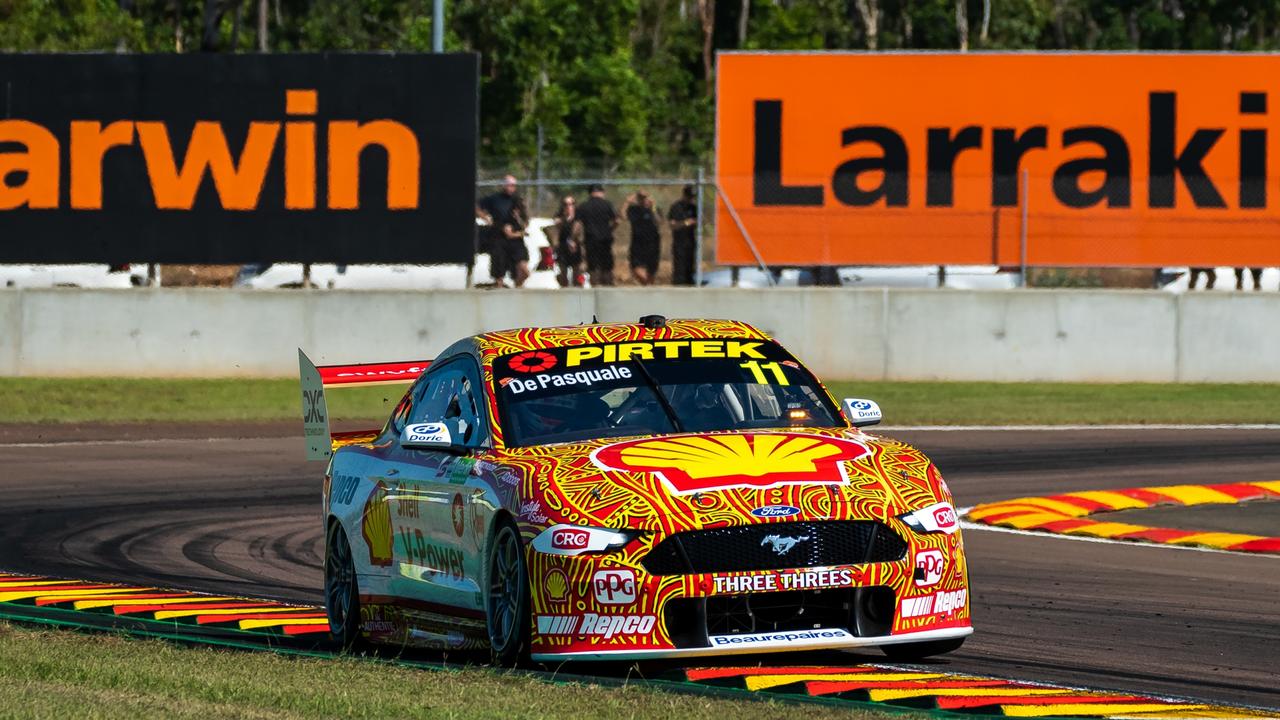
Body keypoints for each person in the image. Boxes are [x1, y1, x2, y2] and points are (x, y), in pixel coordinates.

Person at [476, 175, 522, 287]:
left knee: (518, 266)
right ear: (504, 185)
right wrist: (485, 218)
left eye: (513, 185)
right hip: (497, 235)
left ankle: (517, 288)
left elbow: (524, 218)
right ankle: (499, 283)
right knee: (498, 261)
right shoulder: (495, 198)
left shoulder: (517, 200)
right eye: (509, 185)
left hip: (513, 237)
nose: (511, 188)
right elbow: (477, 206)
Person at [576, 184, 618, 286]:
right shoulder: (607, 204)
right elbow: (617, 221)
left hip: (591, 240)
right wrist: (610, 229)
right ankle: (607, 288)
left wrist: (574, 238)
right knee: (607, 267)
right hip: (605, 240)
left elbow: (577, 225)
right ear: (601, 192)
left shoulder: (584, 206)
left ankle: (595, 289)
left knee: (593, 267)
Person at [625, 190, 661, 285]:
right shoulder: (633, 209)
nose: (644, 200)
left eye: (645, 197)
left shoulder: (654, 209)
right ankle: (647, 285)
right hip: (638, 243)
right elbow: (623, 216)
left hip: (652, 243)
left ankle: (648, 287)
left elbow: (658, 221)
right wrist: (627, 202)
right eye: (640, 197)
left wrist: (653, 207)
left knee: (651, 270)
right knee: (636, 268)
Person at [549, 195, 585, 287]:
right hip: (563, 248)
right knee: (563, 275)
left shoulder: (578, 216)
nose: (568, 206)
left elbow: (579, 229)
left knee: (577, 275)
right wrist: (564, 218)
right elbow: (556, 228)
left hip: (575, 248)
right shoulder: (559, 217)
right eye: (566, 204)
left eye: (571, 204)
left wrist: (573, 240)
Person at [667, 185, 698, 286]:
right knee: (680, 269)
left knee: (690, 268)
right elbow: (672, 225)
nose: (691, 199)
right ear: (684, 195)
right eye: (689, 197)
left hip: (691, 242)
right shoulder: (676, 207)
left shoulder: (693, 208)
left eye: (693, 197)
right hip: (679, 243)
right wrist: (686, 223)